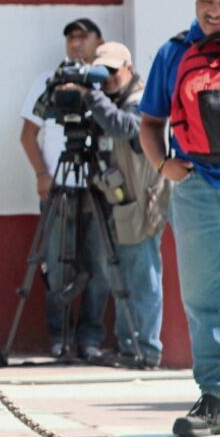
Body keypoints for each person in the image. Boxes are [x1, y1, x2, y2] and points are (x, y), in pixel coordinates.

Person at [139, 0, 220, 437]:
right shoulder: (174, 51)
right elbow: (150, 122)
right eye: (205, 0)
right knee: (204, 299)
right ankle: (216, 400)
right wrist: (162, 165)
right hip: (196, 190)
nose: (214, 10)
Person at [60, 42, 171, 369]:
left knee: (141, 277)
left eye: (112, 71)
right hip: (115, 199)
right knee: (119, 275)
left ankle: (146, 349)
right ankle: (127, 347)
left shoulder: (142, 99)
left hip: (141, 202)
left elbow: (125, 127)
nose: (107, 78)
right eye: (101, 72)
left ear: (129, 68)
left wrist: (90, 98)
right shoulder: (109, 100)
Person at [19, 18, 110, 360]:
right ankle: (59, 336)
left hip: (98, 186)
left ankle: (90, 339)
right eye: (70, 38)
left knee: (100, 263)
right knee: (56, 264)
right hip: (58, 186)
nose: (76, 43)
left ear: (99, 41)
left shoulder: (103, 82)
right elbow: (28, 134)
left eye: (83, 37)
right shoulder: (49, 82)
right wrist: (42, 174)